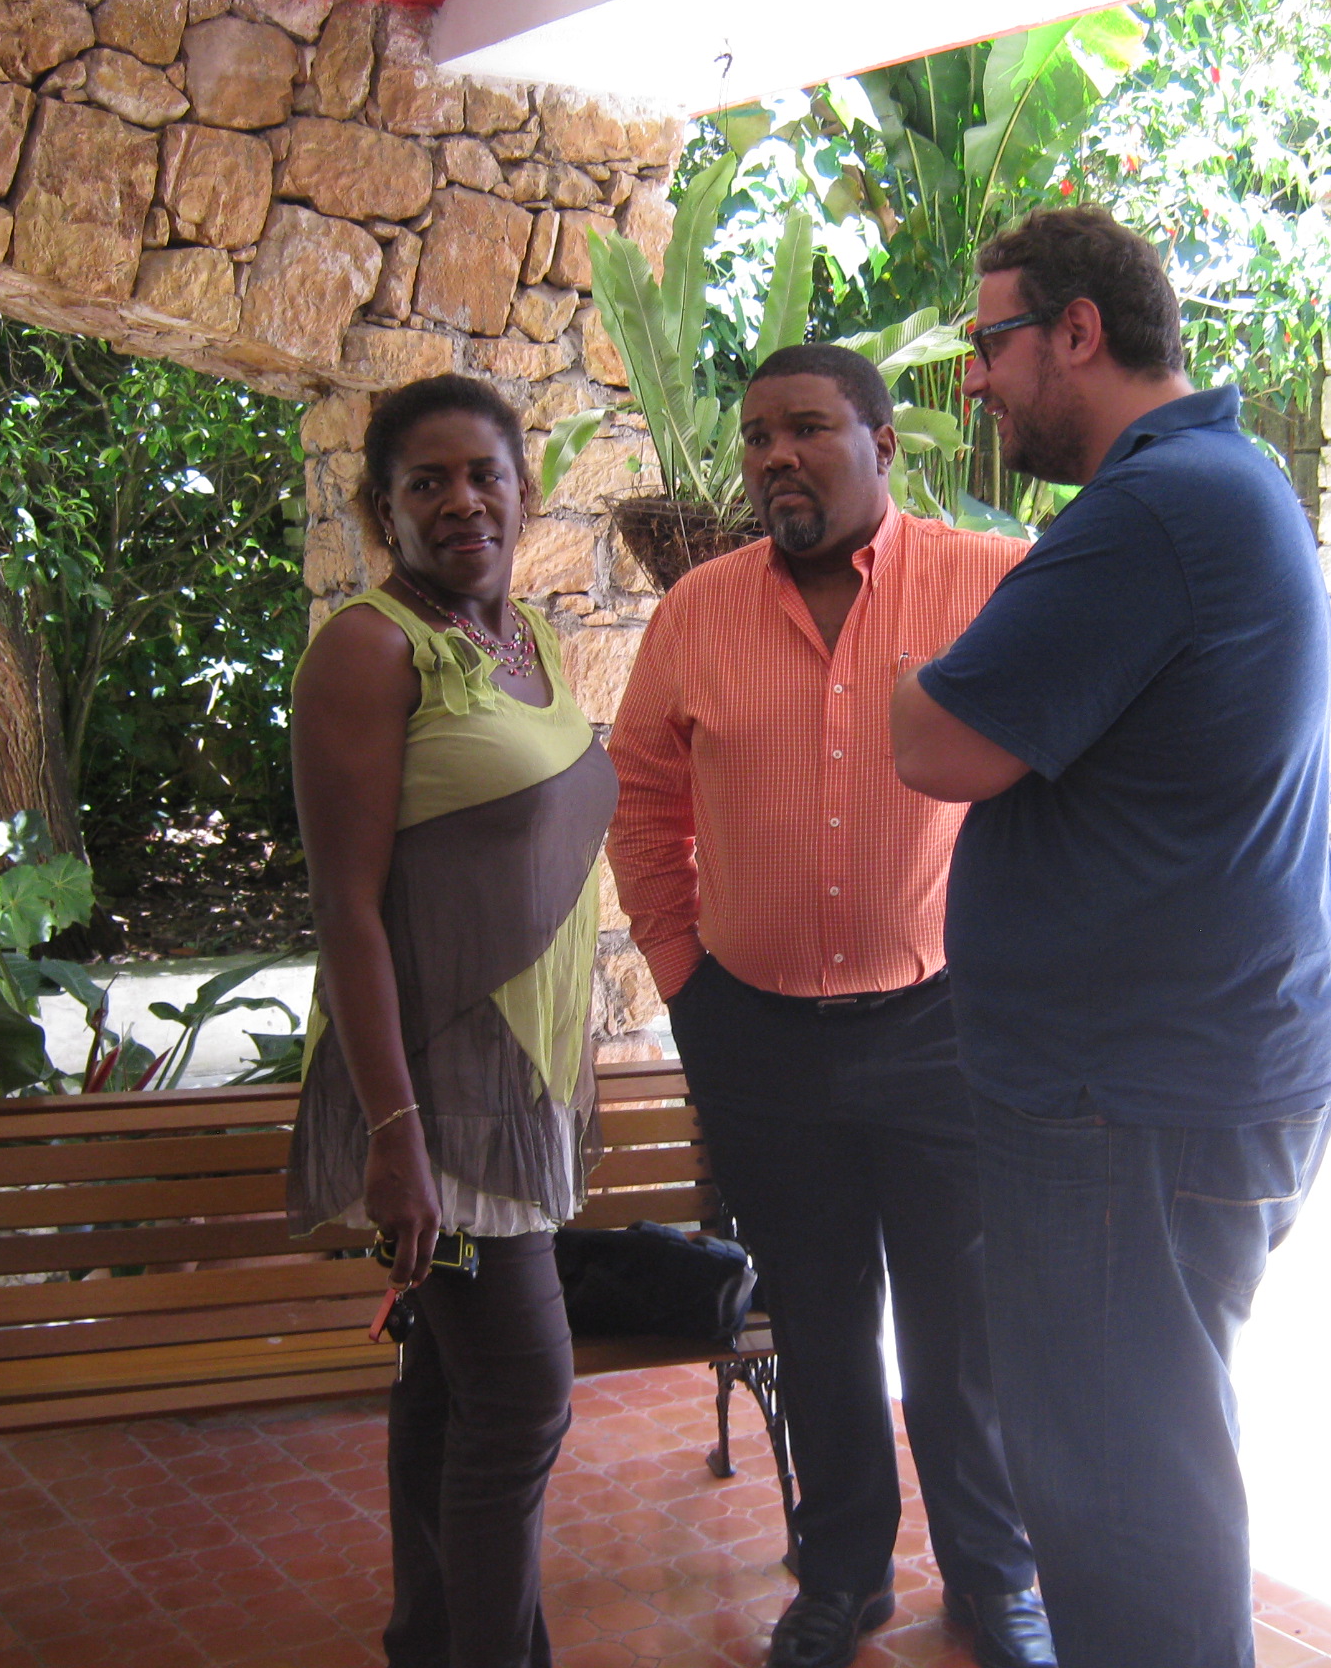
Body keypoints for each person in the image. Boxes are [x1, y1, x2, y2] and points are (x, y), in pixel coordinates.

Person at [888, 208, 1331, 1668]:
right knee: (1139, 1463)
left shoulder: (1151, 511)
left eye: (990, 342)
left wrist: (913, 666)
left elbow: (937, 742)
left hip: (1131, 1105)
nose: (976, 379)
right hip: (1169, 1083)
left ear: (1078, 332)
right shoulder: (1219, 482)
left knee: (1122, 1501)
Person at [607, 344, 1054, 1668]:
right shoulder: (698, 611)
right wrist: (685, 978)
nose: (776, 457)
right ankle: (842, 1573)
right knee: (813, 1320)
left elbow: (1069, 767)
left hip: (942, 1028)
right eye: (757, 437)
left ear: (882, 444)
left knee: (964, 1326)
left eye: (807, 428)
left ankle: (994, 1576)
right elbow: (643, 797)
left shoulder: (992, 582)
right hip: (759, 1037)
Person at [287, 374, 616, 1668]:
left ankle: (428, 1638)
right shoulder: (368, 650)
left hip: (519, 1081)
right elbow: (347, 907)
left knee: (450, 1384)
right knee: (524, 1399)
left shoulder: (525, 636)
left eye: (484, 474)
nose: (462, 500)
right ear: (384, 510)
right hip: (440, 1097)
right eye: (426, 482)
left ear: (525, 490)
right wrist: (394, 1133)